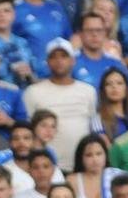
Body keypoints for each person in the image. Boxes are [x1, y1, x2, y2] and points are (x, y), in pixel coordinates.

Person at [22, 39, 97, 172]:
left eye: (64, 56)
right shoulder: (33, 92)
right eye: (53, 57)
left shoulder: (88, 91)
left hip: (82, 165)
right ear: (47, 62)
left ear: (73, 60)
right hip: (46, 169)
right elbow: (27, 131)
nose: (59, 61)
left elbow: (93, 127)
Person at [68, 134, 122, 198]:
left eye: (99, 154)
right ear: (81, 158)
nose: (95, 159)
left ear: (106, 155)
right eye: (89, 155)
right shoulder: (73, 181)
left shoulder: (117, 176)